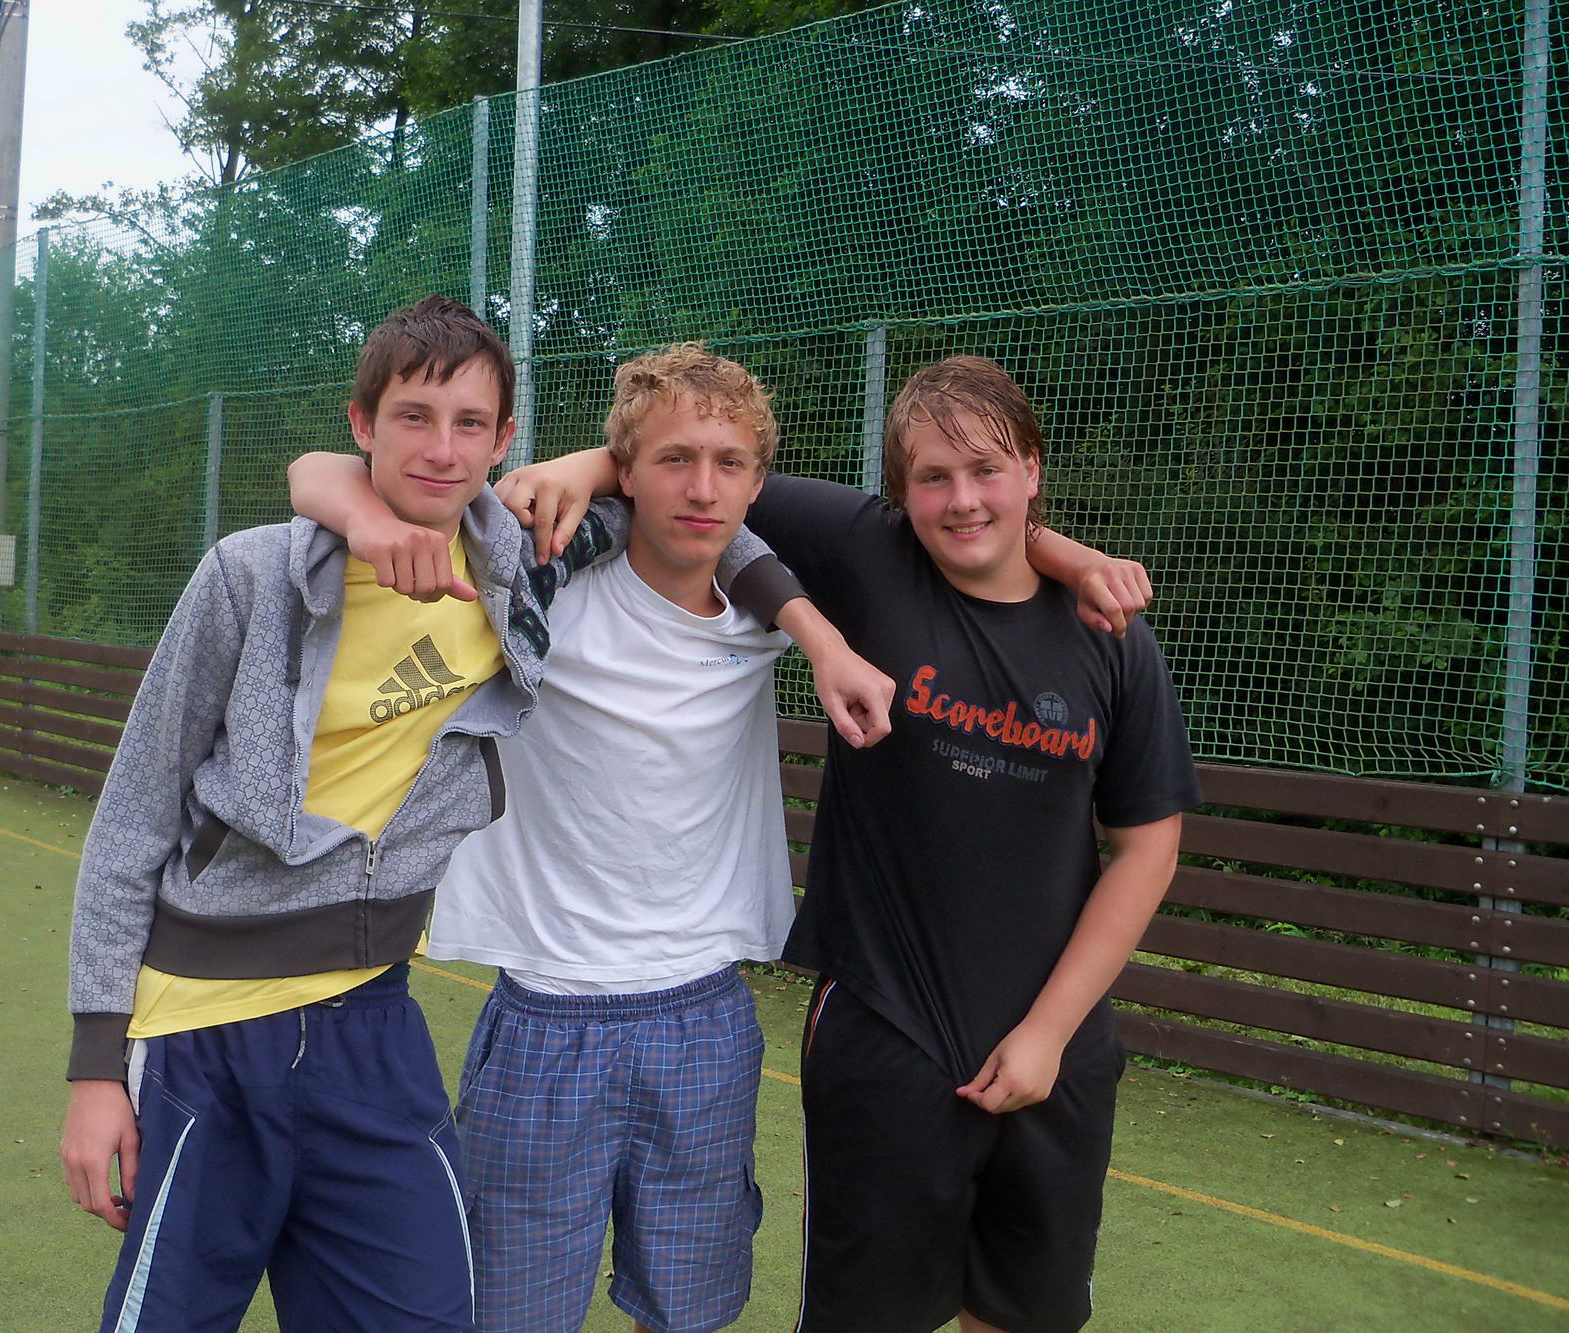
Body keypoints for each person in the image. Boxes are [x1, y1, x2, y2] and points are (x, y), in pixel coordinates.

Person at [56, 296, 815, 1333]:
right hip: (206, 1026)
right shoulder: (251, 574)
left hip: (375, 1015)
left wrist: (812, 629)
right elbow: (130, 821)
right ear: (361, 424)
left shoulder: (521, 569)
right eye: (412, 417)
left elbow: (695, 518)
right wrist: (95, 1067)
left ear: (504, 442)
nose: (441, 448)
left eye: (470, 424)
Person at [496, 353, 1198, 1333]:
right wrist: (570, 468)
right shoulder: (869, 553)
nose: (963, 500)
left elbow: (1147, 849)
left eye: (987, 470)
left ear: (1032, 471)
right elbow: (691, 472)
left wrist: (1047, 1033)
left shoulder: (1110, 636)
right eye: (933, 477)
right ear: (899, 493)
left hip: (1056, 1054)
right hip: (883, 1036)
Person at [284, 344, 893, 1333]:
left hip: (705, 1014)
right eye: (671, 459)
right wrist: (554, 474)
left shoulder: (774, 614)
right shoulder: (535, 584)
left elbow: (957, 536)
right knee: (508, 1314)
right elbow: (317, 472)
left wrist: (824, 636)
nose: (702, 488)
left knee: (688, 1312)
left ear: (758, 482)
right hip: (545, 1013)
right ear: (623, 470)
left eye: (729, 464)